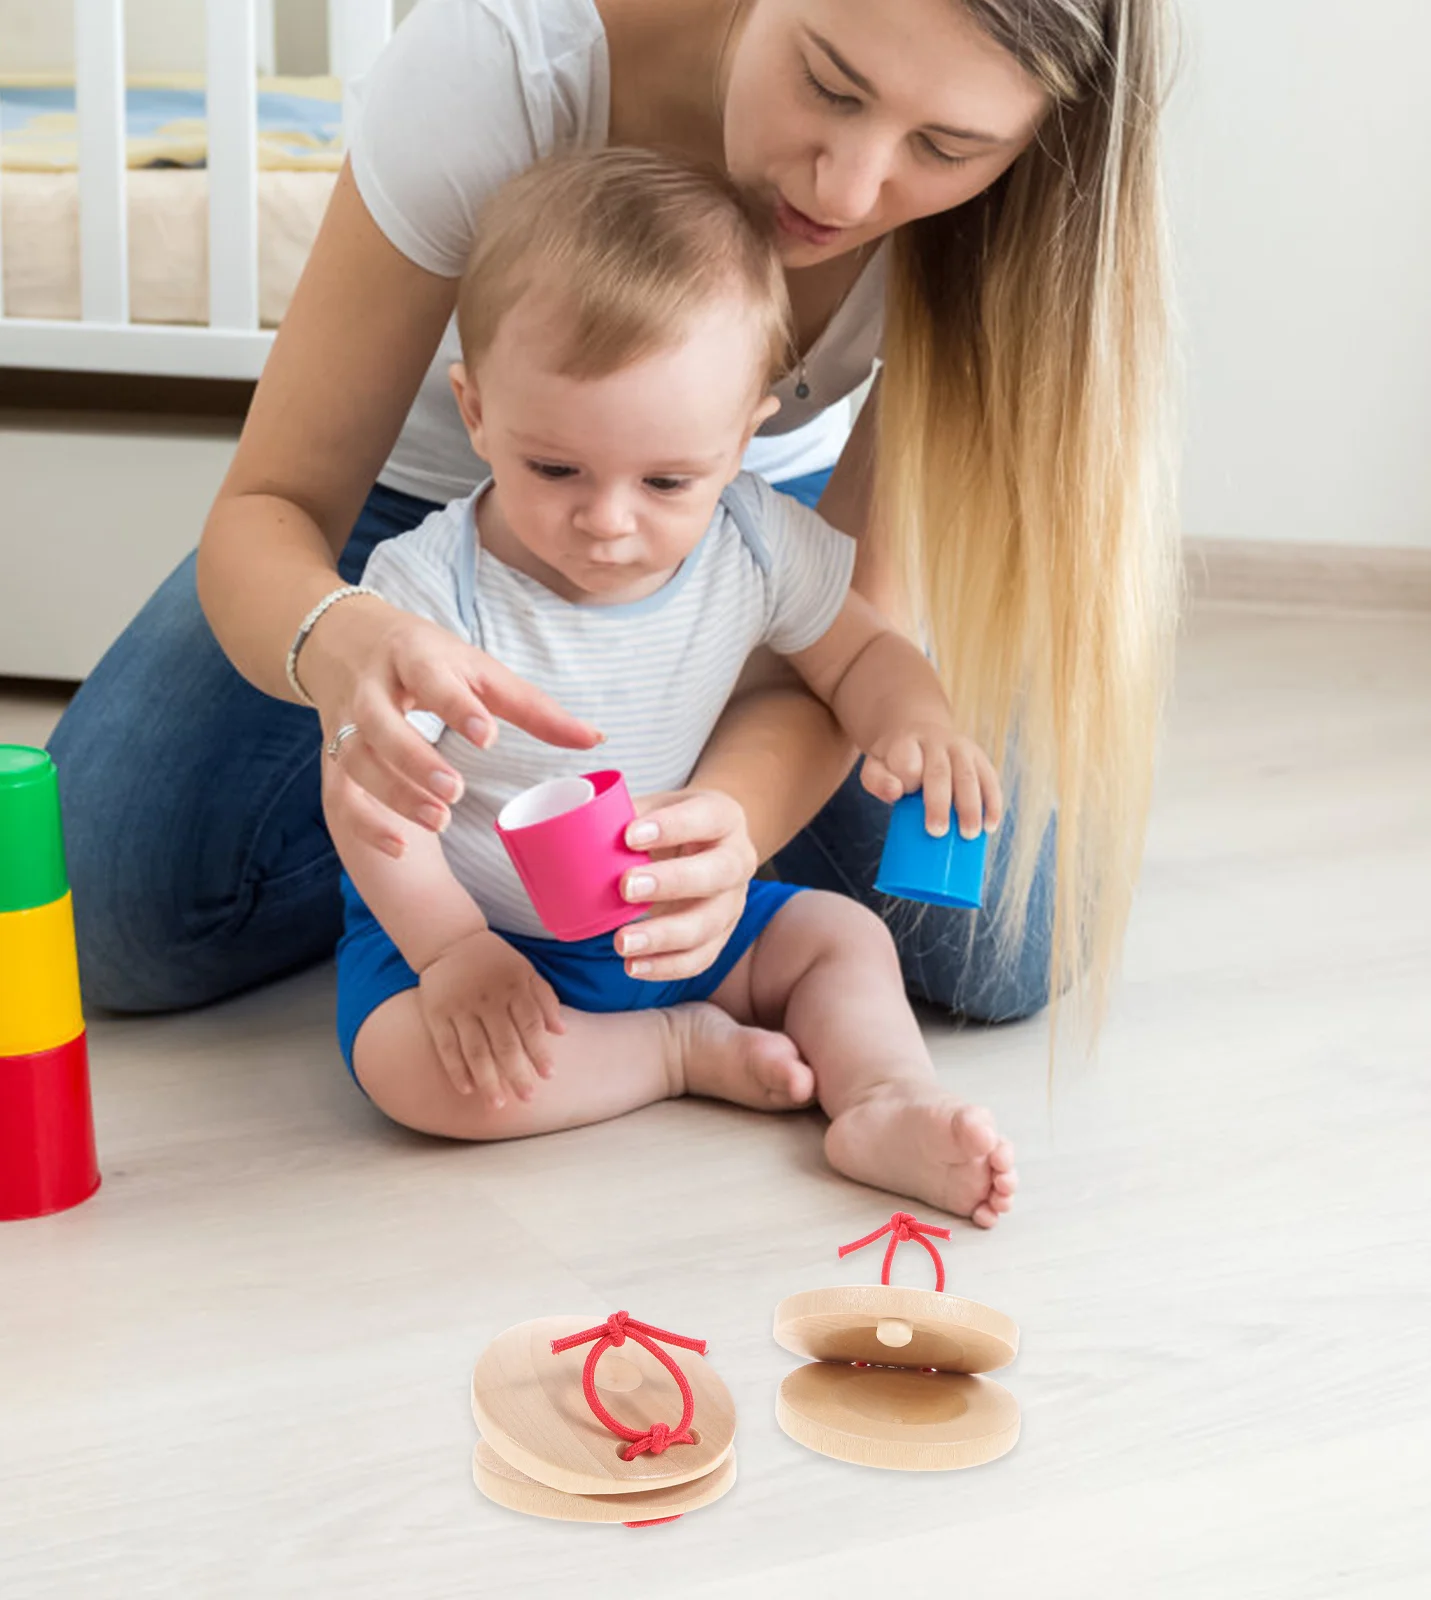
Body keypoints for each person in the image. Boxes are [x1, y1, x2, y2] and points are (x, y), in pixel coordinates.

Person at [48, 0, 1176, 1046]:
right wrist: (344, 645)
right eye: (830, 85)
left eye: (946, 148)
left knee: (1012, 940)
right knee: (105, 902)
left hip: (734, 535)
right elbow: (270, 508)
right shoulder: (506, 66)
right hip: (410, 522)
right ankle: (454, 874)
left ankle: (624, 865)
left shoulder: (1014, 235)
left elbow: (853, 627)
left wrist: (730, 818)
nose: (846, 187)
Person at [334, 150, 1016, 1223]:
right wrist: (452, 950)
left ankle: (884, 1097)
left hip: (693, 922)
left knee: (846, 939)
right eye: (554, 469)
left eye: (665, 482)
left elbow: (859, 653)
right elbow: (366, 797)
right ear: (474, 412)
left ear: (743, 437)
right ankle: (667, 1054)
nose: (608, 521)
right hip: (486, 941)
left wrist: (917, 719)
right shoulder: (429, 587)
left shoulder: (752, 536)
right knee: (407, 1068)